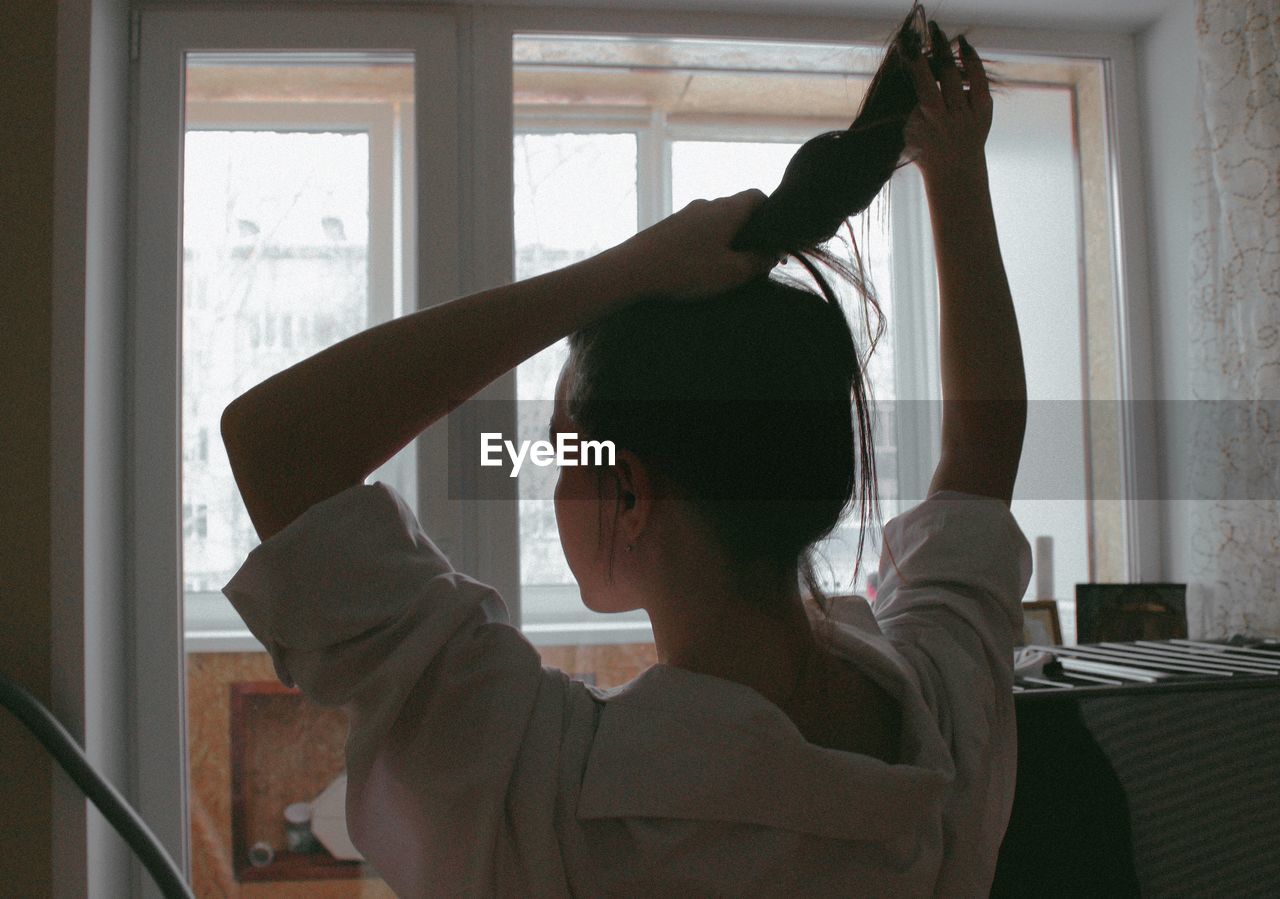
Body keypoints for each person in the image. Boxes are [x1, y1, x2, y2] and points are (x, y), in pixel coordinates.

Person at [221, 23, 1031, 897]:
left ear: (632, 493)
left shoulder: (539, 789)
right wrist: (955, 171)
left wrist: (616, 274)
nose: (550, 482)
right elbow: (982, 451)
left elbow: (278, 444)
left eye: (568, 454)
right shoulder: (942, 724)